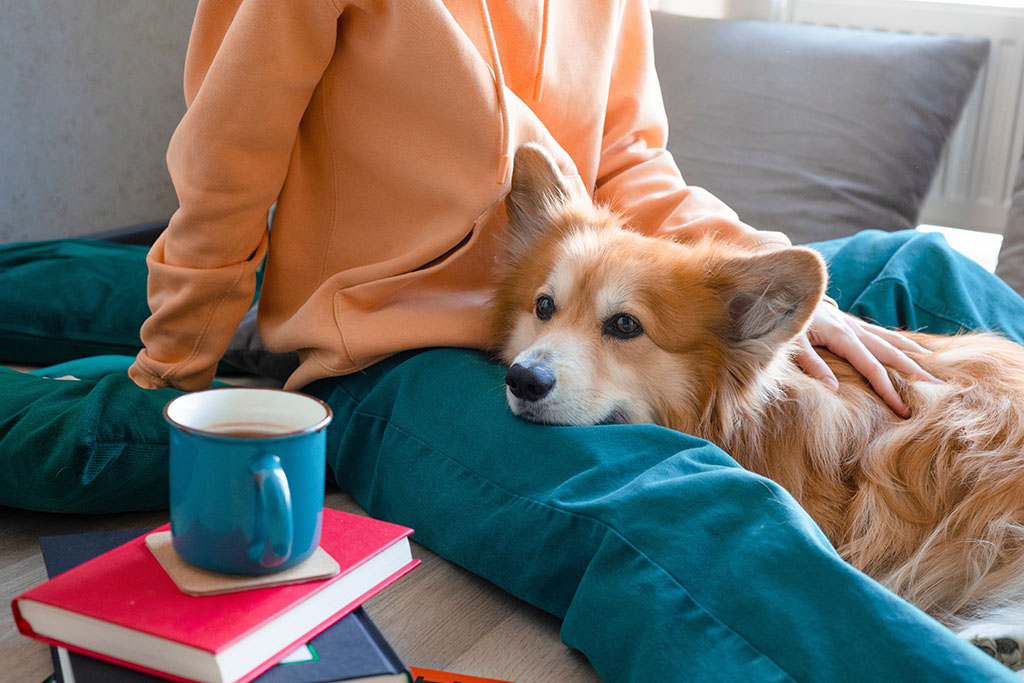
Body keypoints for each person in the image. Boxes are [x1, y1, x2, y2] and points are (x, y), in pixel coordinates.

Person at [2, 1, 1021, 680]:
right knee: (658, 501)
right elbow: (223, 169)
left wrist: (782, 280)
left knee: (916, 265)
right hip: (391, 342)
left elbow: (629, 163)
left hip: (560, 276)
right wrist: (175, 365)